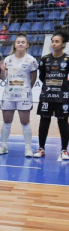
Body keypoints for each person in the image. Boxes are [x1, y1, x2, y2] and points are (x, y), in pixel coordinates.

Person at [0, 33, 38, 157]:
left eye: (23, 42)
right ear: (14, 44)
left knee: (25, 121)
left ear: (27, 45)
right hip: (9, 95)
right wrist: (2, 70)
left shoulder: (31, 60)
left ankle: (28, 148)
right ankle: (3, 146)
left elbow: (33, 79)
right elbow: (4, 78)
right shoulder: (8, 59)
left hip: (24, 96)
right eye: (18, 42)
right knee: (6, 120)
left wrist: (25, 90)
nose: (20, 44)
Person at [34, 30, 69, 160]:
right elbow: (42, 76)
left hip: (63, 96)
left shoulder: (67, 59)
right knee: (44, 121)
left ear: (63, 44)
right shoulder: (45, 59)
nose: (54, 44)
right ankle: (41, 148)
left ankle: (64, 150)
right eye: (52, 41)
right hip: (47, 95)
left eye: (57, 41)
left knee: (63, 122)